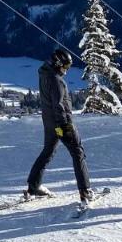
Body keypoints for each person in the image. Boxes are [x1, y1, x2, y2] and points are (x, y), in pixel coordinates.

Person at [26, 48, 94, 205]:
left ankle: (33, 187)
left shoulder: (44, 73)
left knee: (47, 151)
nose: (66, 70)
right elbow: (59, 106)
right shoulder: (56, 81)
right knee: (78, 152)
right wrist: (65, 127)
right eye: (65, 66)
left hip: (49, 122)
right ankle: (85, 191)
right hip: (60, 123)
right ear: (57, 63)